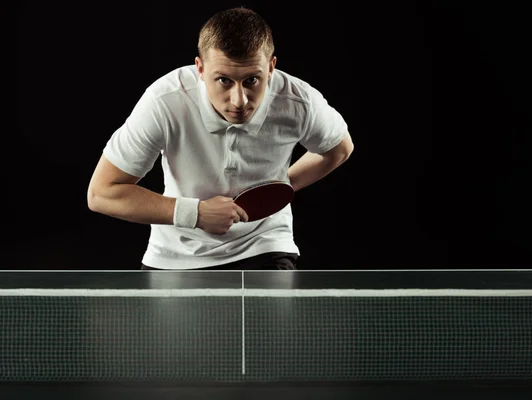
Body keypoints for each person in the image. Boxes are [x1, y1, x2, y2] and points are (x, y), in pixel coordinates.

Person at [87, 6, 354, 270]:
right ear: (200, 69)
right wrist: (195, 213)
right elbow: (101, 193)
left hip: (264, 244)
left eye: (252, 80)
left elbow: (339, 149)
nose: (240, 100)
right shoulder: (165, 101)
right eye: (224, 81)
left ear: (271, 67)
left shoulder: (298, 101)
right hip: (175, 253)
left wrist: (279, 189)